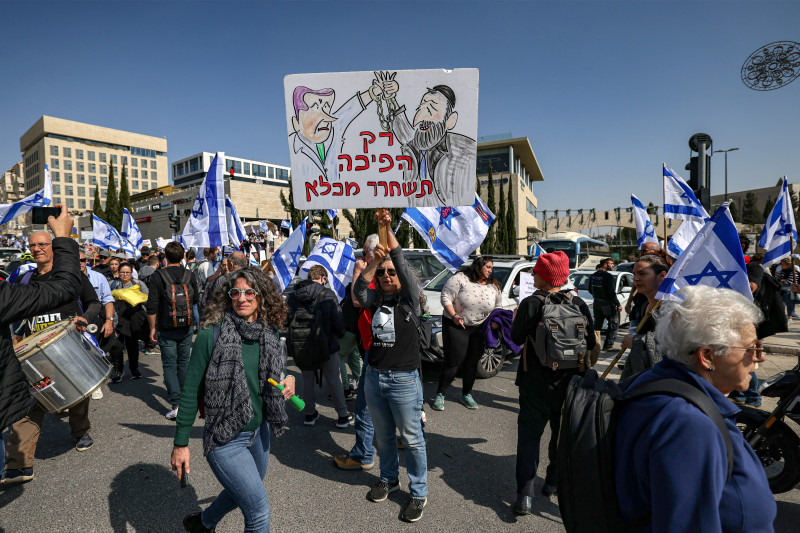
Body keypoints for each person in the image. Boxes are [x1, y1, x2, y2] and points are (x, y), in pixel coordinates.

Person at [615, 285, 776, 532]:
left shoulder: (657, 383)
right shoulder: (688, 424)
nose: (760, 357)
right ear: (707, 356)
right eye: (751, 347)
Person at [171, 268, 295, 533]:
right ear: (228, 297)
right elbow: (191, 391)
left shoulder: (268, 333)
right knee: (258, 510)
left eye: (249, 292)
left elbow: (275, 373)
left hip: (259, 434)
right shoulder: (210, 335)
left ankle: (203, 523)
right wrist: (181, 443)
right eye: (235, 292)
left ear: (261, 297)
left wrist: (289, 379)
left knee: (243, 492)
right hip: (224, 439)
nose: (242, 298)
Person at [2, 227, 102, 485]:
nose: (38, 249)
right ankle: (19, 464)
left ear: (54, 247)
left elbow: (95, 303)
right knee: (28, 403)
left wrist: (85, 318)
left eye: (43, 244)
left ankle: (80, 431)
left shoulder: (71, 277)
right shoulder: (24, 279)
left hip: (67, 346)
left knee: (78, 393)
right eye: (33, 245)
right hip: (35, 353)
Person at [354, 210, 429, 523]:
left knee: (411, 440)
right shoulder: (375, 300)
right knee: (382, 438)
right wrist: (375, 261)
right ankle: (388, 478)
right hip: (374, 377)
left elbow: (399, 259)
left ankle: (419, 493)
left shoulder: (410, 300)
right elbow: (359, 291)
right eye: (382, 273)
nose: (386, 276)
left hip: (403, 381)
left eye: (391, 272)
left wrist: (385, 229)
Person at [509, 250, 595, 515]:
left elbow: (516, 337)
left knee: (529, 439)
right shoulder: (577, 303)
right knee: (560, 436)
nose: (532, 274)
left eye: (535, 271)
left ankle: (525, 495)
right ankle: (552, 483)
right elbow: (590, 343)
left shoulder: (531, 304)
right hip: (569, 384)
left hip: (535, 384)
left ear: (545, 277)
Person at [384, 80, 477, 206]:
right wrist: (390, 98)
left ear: (450, 121)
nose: (423, 113)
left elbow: (464, 202)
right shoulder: (415, 144)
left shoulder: (465, 152)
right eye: (422, 106)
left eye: (432, 107)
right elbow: (401, 126)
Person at [286, 265, 352, 428]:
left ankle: (309, 414)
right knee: (333, 380)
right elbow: (338, 323)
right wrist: (340, 333)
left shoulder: (294, 296)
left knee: (307, 381)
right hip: (327, 345)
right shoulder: (327, 294)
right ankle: (343, 415)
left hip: (302, 345)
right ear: (323, 278)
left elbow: (287, 319)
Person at [334, 233, 379, 471]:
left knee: (364, 405)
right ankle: (396, 439)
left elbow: (356, 299)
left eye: (365, 253)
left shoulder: (376, 274)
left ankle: (363, 454)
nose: (361, 257)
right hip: (373, 346)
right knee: (389, 401)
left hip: (376, 348)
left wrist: (357, 271)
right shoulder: (388, 272)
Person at [434, 256, 501, 411]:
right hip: (457, 325)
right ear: (479, 266)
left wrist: (496, 320)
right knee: (454, 361)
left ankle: (466, 394)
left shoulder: (493, 285)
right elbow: (445, 297)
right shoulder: (460, 278)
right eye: (488, 267)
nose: (491, 270)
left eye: (492, 268)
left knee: (473, 362)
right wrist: (454, 316)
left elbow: (498, 305)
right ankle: (440, 394)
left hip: (479, 327)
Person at [147, 242, 200, 420]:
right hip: (186, 326)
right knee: (184, 363)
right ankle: (185, 403)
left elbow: (152, 305)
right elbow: (196, 300)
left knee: (170, 365)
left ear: (165, 257)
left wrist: (152, 328)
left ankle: (176, 405)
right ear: (183, 256)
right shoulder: (189, 275)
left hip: (166, 325)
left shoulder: (157, 276)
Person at [619, 254, 670, 381]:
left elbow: (673, 346)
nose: (636, 279)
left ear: (662, 276)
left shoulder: (670, 309)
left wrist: (636, 342)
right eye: (634, 274)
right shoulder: (646, 305)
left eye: (642, 274)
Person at [81, 249, 125, 385]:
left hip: (97, 318)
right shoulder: (65, 279)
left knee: (113, 345)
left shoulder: (98, 277)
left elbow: (107, 299)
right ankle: (91, 380)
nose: (80, 263)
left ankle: (117, 370)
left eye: (82, 260)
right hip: (76, 320)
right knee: (83, 353)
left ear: (87, 261)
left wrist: (109, 321)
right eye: (76, 260)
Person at [111, 263, 149, 380]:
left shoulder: (139, 284)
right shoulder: (113, 285)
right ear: (118, 272)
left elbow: (147, 298)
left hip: (133, 320)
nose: (125, 275)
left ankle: (134, 369)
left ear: (131, 273)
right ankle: (118, 371)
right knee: (117, 346)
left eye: (127, 272)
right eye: (122, 272)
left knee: (132, 345)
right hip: (118, 319)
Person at [589, 257, 621, 351]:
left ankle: (594, 345)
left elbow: (590, 290)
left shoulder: (593, 275)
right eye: (611, 263)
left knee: (597, 325)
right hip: (607, 304)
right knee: (613, 325)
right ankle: (608, 346)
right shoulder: (608, 276)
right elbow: (612, 292)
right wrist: (618, 304)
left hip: (597, 303)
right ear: (605, 265)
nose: (612, 265)